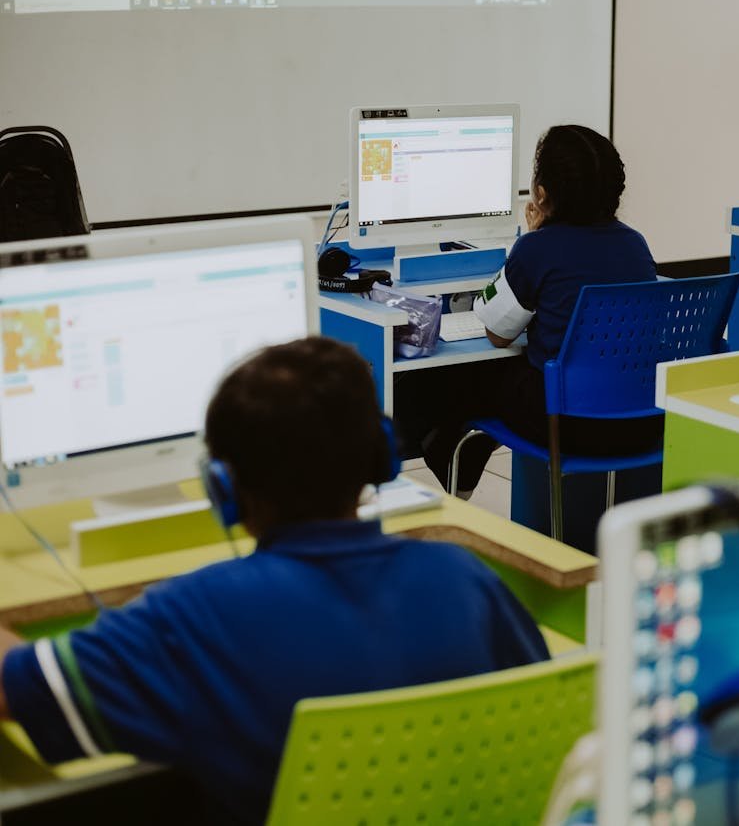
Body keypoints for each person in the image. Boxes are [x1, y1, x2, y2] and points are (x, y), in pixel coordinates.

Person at [0, 337, 549, 824]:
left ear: (224, 490)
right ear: (380, 459)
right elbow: (540, 714)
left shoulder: (193, 615)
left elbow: (13, 689)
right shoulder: (461, 576)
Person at [409, 124, 659, 497]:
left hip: (566, 423)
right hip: (640, 422)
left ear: (541, 195)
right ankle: (462, 459)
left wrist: (528, 239)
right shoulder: (636, 245)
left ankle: (455, 473)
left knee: (455, 378)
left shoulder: (538, 248)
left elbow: (497, 334)